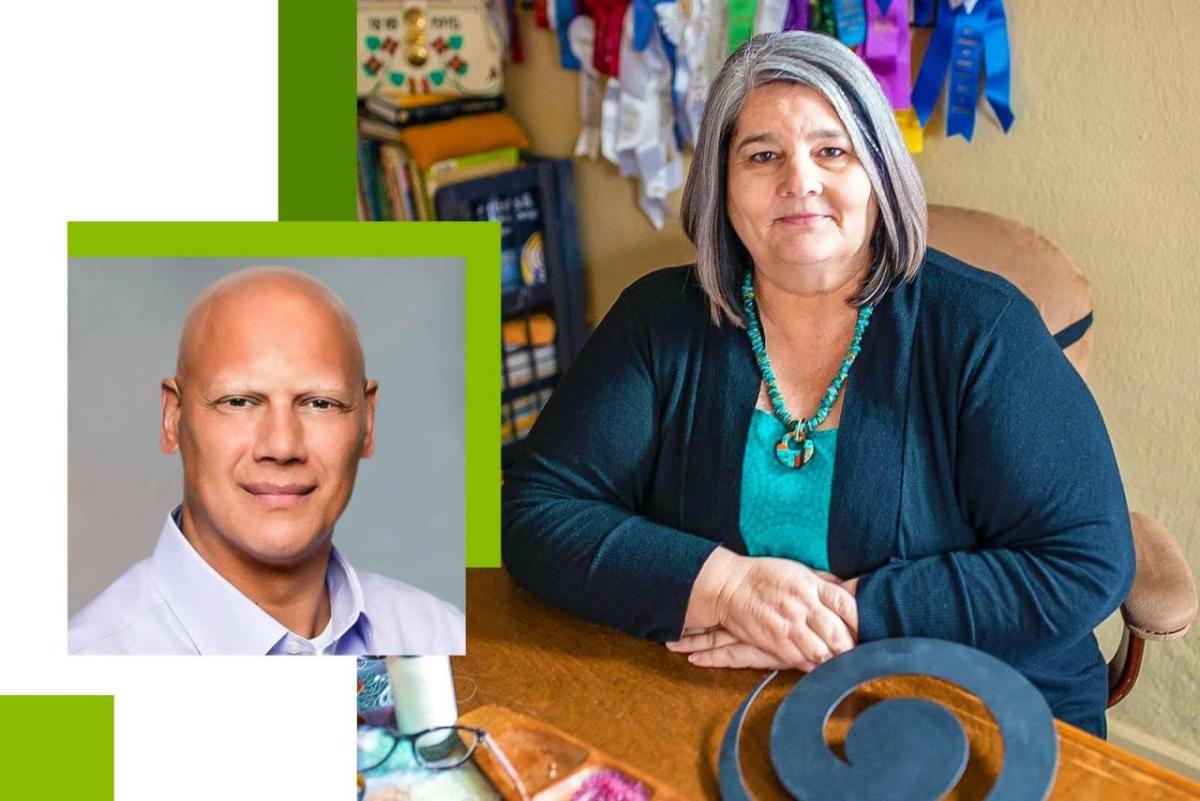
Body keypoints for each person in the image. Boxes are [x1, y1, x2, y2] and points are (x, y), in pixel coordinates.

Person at [502, 32, 1134, 737]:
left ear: (879, 174)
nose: (798, 179)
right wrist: (729, 588)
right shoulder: (658, 320)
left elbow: (1086, 561)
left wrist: (845, 614)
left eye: (832, 150)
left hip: (965, 707)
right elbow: (538, 509)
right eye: (762, 154)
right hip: (713, 696)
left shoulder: (984, 330)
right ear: (722, 186)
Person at [70, 267, 464, 655]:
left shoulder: (442, 635)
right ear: (173, 417)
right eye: (239, 401)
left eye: (320, 403)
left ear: (368, 421)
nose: (281, 445)